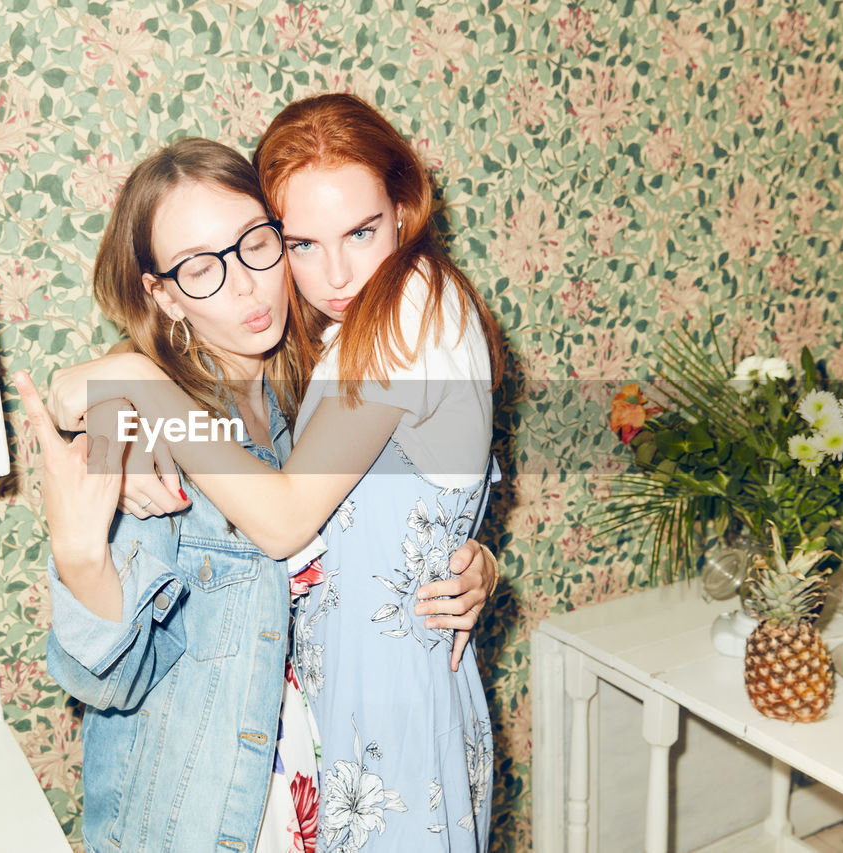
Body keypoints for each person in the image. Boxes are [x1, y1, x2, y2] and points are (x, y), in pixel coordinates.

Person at [48, 93, 506, 851]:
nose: (336, 274)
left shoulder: (339, 359)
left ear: (401, 210)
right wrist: (80, 552)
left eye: (256, 245)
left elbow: (318, 520)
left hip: (339, 762)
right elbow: (111, 674)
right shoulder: (151, 423)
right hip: (215, 803)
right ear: (160, 291)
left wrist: (475, 556)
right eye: (199, 266)